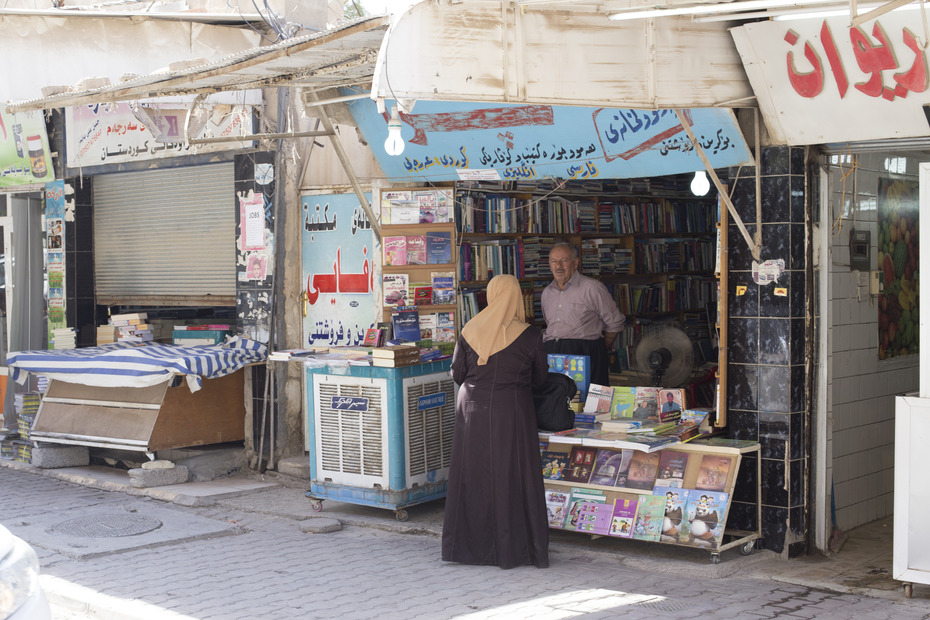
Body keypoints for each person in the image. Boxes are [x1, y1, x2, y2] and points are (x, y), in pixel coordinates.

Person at [442, 274, 550, 569]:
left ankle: (467, 549)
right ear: (517, 298)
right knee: (512, 475)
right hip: (511, 411)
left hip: (472, 412)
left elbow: (457, 374)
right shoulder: (530, 336)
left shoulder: (470, 330)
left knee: (473, 476)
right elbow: (540, 379)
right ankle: (515, 550)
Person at [541, 242, 626, 387]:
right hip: (553, 357)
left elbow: (615, 323)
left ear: (575, 263)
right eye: (554, 261)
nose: (558, 265)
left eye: (564, 260)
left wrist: (596, 348)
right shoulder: (547, 293)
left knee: (589, 405)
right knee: (557, 404)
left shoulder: (592, 288)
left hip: (586, 353)